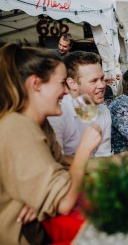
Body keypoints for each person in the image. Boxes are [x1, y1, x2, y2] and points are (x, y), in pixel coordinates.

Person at [0, 44, 101, 244]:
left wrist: (37, 197)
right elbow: (64, 202)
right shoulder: (17, 127)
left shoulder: (40, 124)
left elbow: (60, 169)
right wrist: (84, 150)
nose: (66, 91)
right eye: (62, 83)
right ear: (36, 84)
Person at [48, 51, 112, 159]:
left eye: (102, 78)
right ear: (72, 83)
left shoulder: (104, 111)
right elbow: (57, 160)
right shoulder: (58, 113)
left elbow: (103, 156)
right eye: (93, 81)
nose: (102, 85)